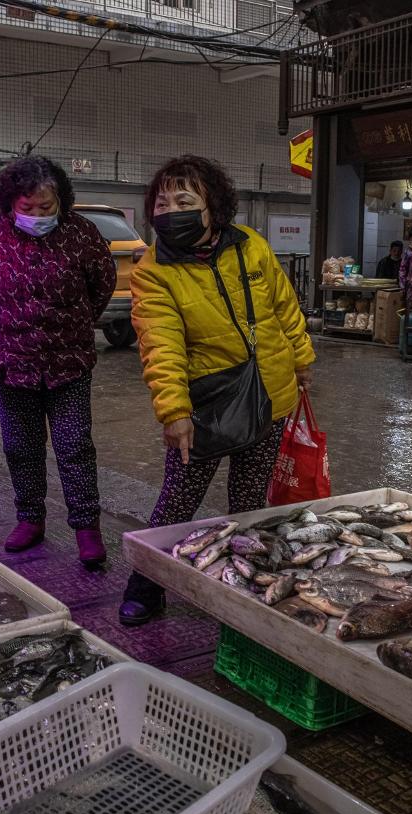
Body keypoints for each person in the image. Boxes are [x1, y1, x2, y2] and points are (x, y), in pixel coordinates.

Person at [119, 155, 316, 626]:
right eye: (162, 203)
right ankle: (146, 586)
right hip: (204, 406)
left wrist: (302, 359)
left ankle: (242, 582)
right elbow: (160, 344)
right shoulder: (153, 271)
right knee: (177, 502)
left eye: (185, 201)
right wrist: (173, 411)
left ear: (214, 208)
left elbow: (284, 307)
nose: (171, 211)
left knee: (249, 503)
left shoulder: (251, 246)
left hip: (268, 396)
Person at [0, 155, 117, 565]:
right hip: (11, 364)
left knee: (74, 447)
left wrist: (78, 323)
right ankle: (30, 518)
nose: (35, 215)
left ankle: (86, 527)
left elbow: (103, 284)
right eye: (26, 208)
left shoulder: (81, 234)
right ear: (10, 202)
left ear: (61, 201)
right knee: (20, 447)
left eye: (45, 208)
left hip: (69, 364)